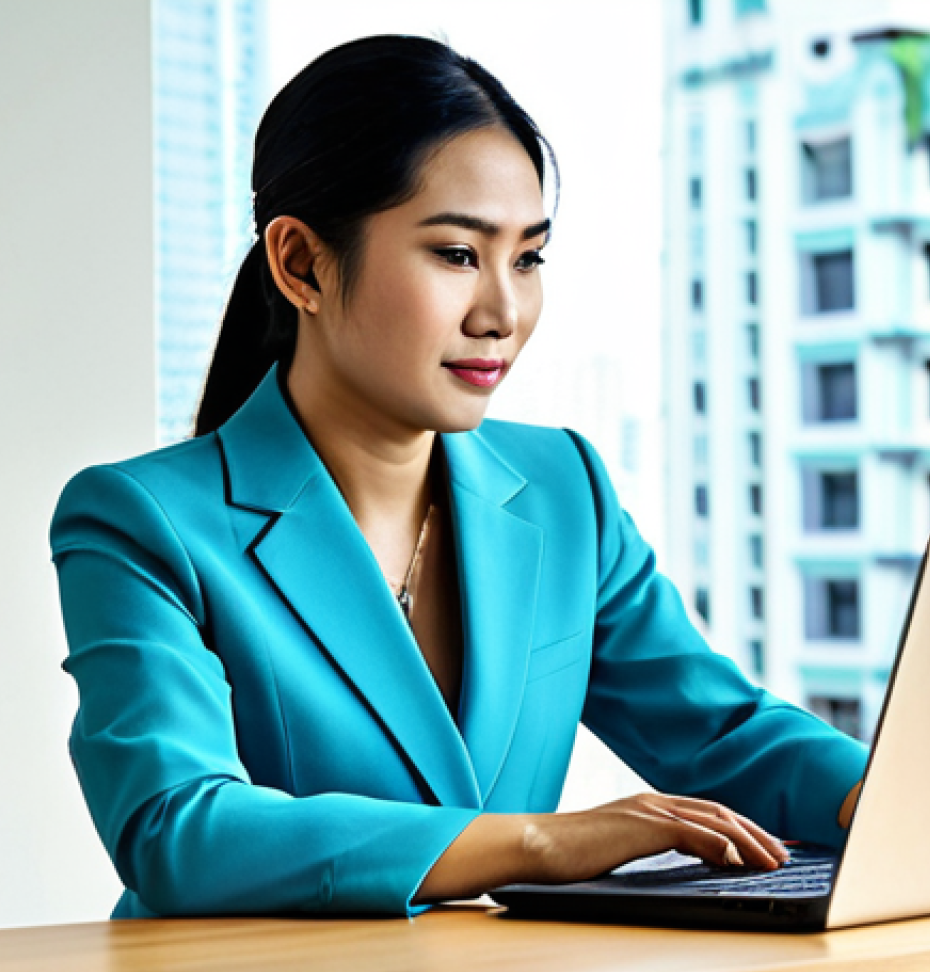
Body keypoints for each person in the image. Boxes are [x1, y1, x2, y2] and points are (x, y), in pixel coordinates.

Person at [50, 35, 867, 920]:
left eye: (527, 258)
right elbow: (180, 828)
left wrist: (908, 800)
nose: (503, 313)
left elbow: (720, 731)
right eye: (456, 254)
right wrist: (539, 844)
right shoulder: (143, 520)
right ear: (300, 264)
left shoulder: (564, 488)